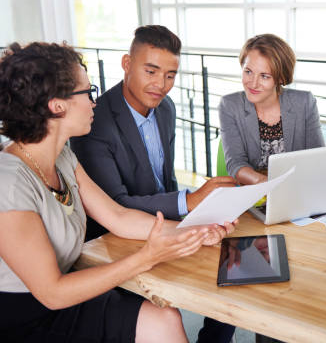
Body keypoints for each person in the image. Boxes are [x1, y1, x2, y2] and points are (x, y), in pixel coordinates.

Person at [0, 42, 236, 342]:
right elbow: (52, 293)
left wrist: (196, 231)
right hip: (28, 319)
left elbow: (119, 216)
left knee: (165, 318)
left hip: (67, 297)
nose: (94, 102)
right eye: (87, 92)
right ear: (57, 105)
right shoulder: (8, 182)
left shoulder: (62, 157)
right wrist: (145, 258)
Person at [71, 25, 237, 342]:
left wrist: (198, 214)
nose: (161, 85)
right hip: (114, 239)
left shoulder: (166, 109)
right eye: (151, 71)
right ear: (126, 64)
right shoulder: (93, 122)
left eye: (170, 75)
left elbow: (165, 181)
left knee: (234, 254)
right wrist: (188, 202)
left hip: (160, 221)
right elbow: (116, 206)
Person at [219, 34, 325, 185]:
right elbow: (236, 164)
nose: (253, 84)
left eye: (264, 76)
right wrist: (269, 185)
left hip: (299, 186)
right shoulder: (229, 105)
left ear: (281, 78)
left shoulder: (304, 102)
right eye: (248, 71)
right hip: (254, 189)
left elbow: (318, 157)